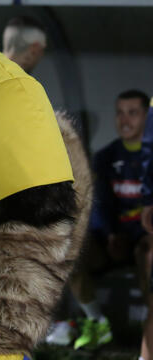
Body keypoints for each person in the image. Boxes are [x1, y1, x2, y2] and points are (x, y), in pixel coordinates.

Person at [49, 89, 153, 355]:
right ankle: (97, 321)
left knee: (148, 253)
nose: (124, 120)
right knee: (70, 250)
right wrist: (109, 235)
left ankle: (148, 333)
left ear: (147, 117)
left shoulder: (150, 157)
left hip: (143, 238)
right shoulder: (105, 156)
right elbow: (99, 203)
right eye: (120, 113)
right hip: (113, 240)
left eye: (133, 113)